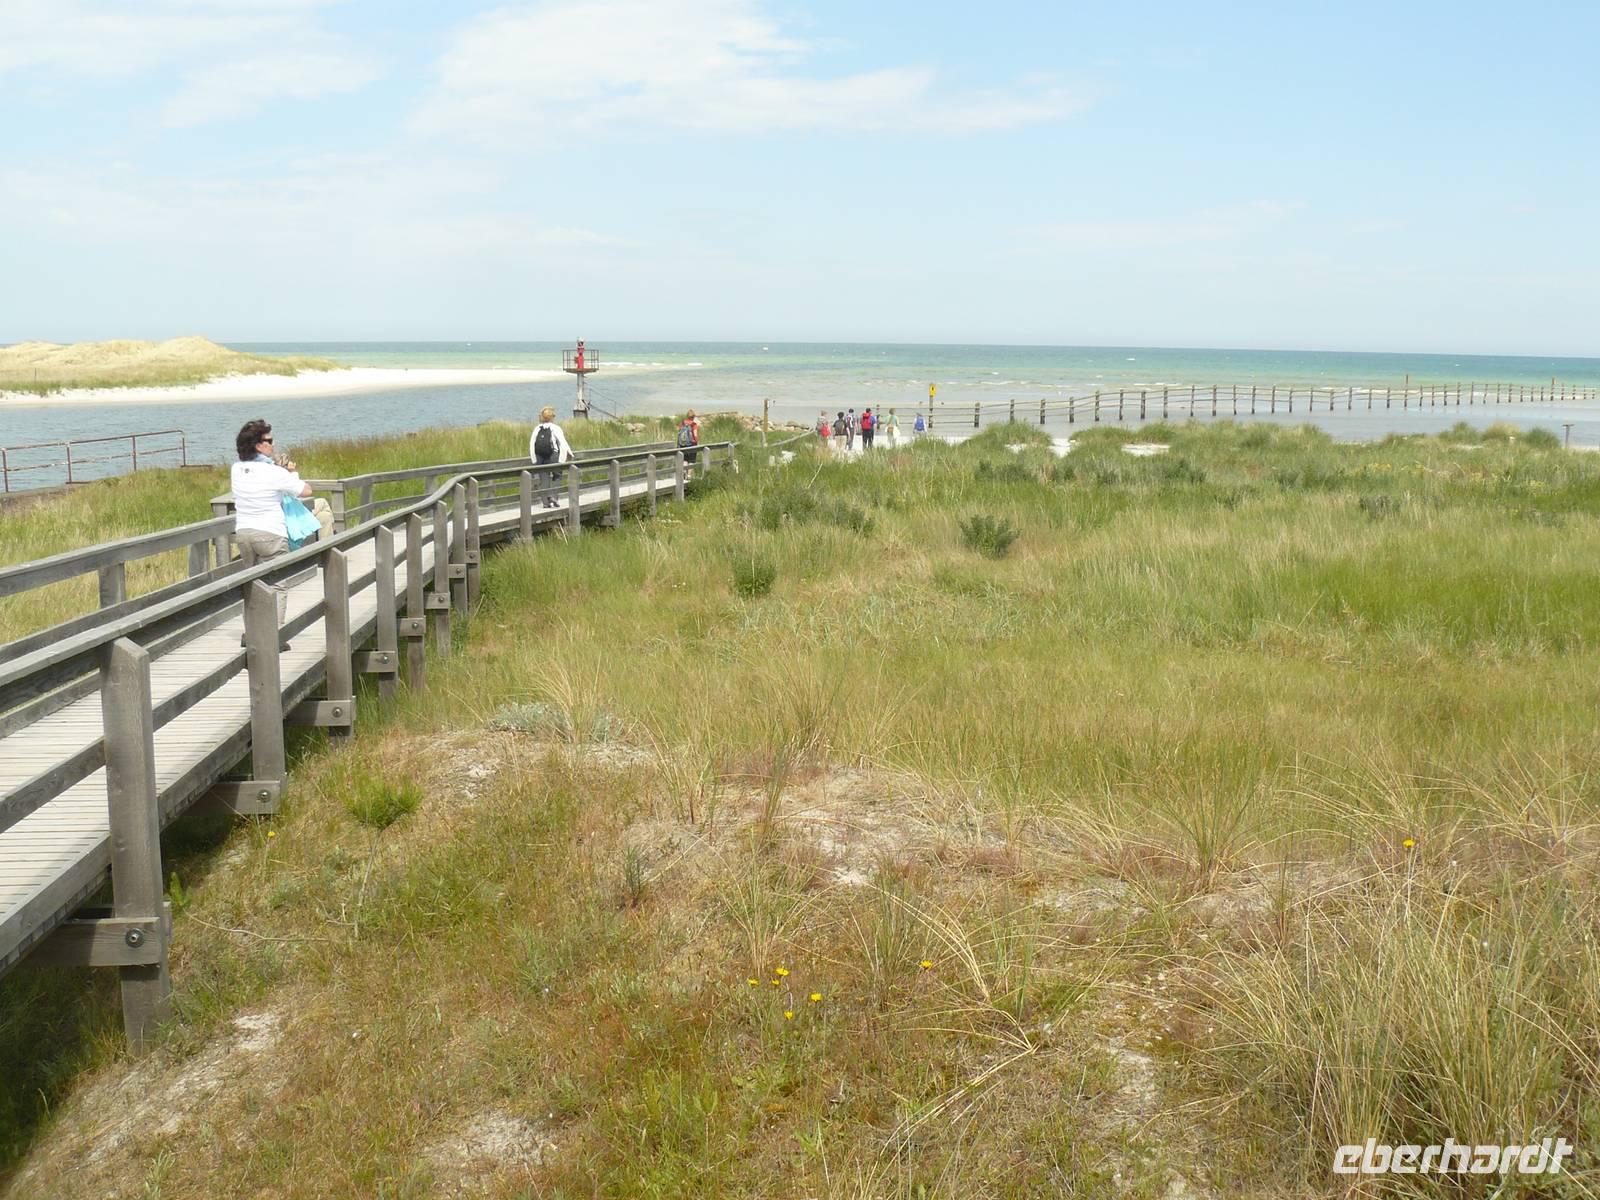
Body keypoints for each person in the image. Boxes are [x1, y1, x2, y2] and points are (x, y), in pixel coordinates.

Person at [231, 418, 312, 651]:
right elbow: (306, 490)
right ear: (258, 445)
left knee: (251, 584)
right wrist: (291, 473)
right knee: (277, 585)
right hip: (270, 533)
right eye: (269, 441)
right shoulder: (273, 472)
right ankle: (272, 638)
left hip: (244, 532)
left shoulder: (237, 469)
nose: (273, 444)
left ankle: (251, 633)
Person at [530, 405, 574, 508]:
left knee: (544, 479)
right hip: (553, 456)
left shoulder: (537, 429)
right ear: (552, 417)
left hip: (540, 457)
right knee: (557, 476)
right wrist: (569, 454)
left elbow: (532, 444)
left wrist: (534, 459)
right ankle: (553, 496)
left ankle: (545, 502)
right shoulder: (555, 428)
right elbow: (562, 442)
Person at [677, 409, 701, 475]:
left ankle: (684, 472)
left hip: (683, 444)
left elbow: (679, 433)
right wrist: (697, 442)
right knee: (692, 460)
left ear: (687, 416)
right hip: (692, 444)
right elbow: (695, 435)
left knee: (685, 459)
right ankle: (689, 475)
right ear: (693, 417)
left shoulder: (682, 423)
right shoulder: (694, 424)